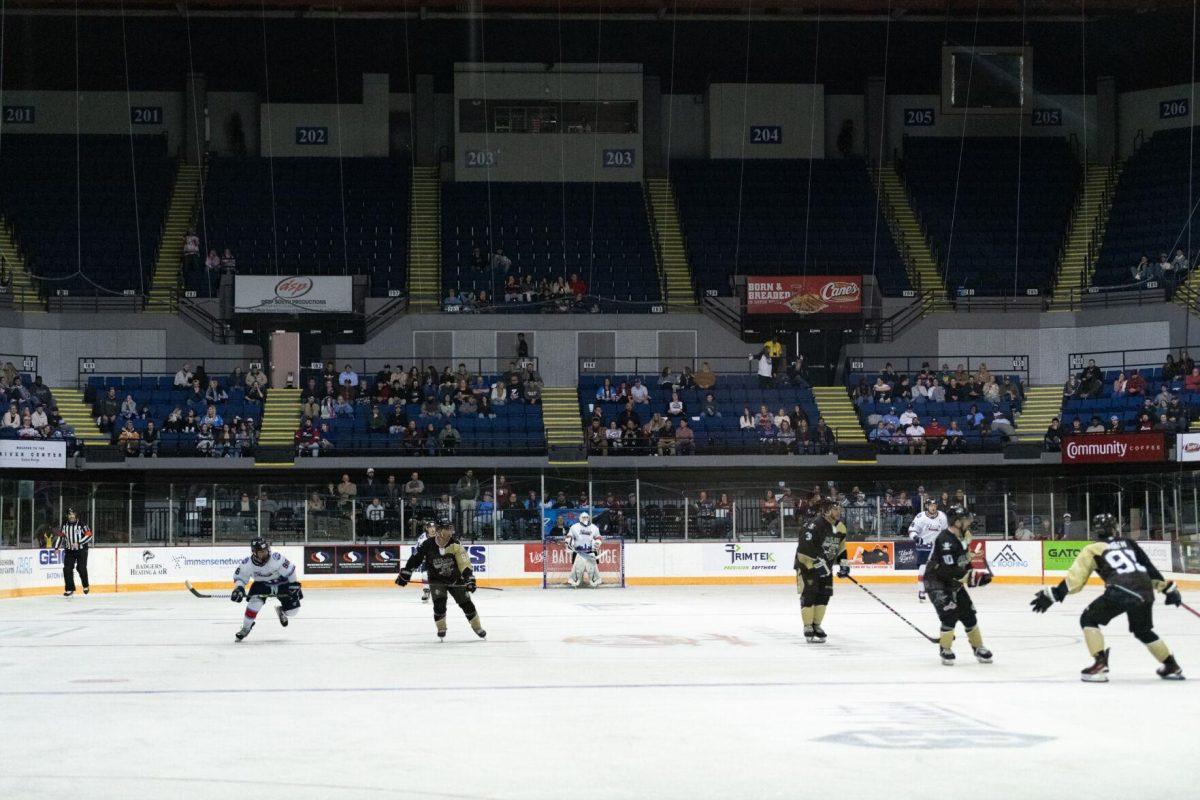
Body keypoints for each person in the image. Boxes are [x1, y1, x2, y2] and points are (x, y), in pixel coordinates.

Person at [1030, 513, 1184, 681]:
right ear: (1114, 527)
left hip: (1121, 590)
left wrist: (1055, 594)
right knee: (1143, 630)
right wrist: (1168, 589)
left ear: (1095, 531)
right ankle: (1171, 665)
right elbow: (1149, 569)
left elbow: (1076, 580)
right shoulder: (1129, 543)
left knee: (1088, 618)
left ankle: (1100, 664)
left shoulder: (1092, 548)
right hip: (1145, 590)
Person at [923, 509, 993, 666]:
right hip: (937, 583)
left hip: (953, 581)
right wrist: (973, 578)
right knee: (950, 614)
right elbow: (949, 569)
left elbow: (963, 562)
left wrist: (974, 575)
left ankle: (978, 647)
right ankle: (945, 649)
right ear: (956, 522)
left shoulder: (964, 536)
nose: (969, 522)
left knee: (969, 614)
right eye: (966, 520)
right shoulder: (945, 540)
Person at [396, 523, 486, 640]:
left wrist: (469, 579)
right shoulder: (427, 544)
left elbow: (464, 563)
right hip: (436, 580)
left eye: (449, 534)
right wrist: (406, 573)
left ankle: (477, 627)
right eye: (445, 535)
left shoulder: (456, 544)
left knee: (466, 604)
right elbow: (415, 559)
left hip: (455, 579)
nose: (448, 538)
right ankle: (441, 627)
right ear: (438, 534)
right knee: (439, 605)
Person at [793, 501, 848, 644]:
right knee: (809, 594)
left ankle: (816, 625)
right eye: (835, 509)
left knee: (824, 596)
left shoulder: (840, 527)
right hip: (808, 567)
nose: (838, 511)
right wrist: (816, 563)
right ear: (826, 511)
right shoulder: (813, 525)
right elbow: (804, 548)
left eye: (839, 509)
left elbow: (841, 548)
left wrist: (844, 565)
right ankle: (807, 626)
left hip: (826, 568)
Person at [231, 539, 302, 641]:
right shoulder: (247, 564)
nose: (265, 553)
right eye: (261, 552)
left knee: (293, 611)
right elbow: (240, 578)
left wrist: (294, 584)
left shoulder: (276, 558)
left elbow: (290, 571)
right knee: (253, 606)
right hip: (261, 585)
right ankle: (246, 628)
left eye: (266, 550)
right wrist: (239, 588)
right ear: (254, 553)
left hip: (282, 583)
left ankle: (281, 610)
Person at [908, 499, 947, 602]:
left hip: (936, 549)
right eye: (930, 505)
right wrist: (916, 538)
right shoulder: (921, 517)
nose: (933, 507)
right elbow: (911, 530)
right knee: (922, 571)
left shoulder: (942, 516)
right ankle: (921, 591)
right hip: (924, 548)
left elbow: (945, 531)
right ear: (927, 506)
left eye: (934, 505)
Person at [55, 508, 93, 597]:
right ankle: (69, 589)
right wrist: (56, 548)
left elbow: (89, 535)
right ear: (67, 516)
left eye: (73, 514)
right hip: (69, 550)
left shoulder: (82, 524)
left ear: (76, 515)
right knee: (67, 569)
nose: (71, 516)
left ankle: (85, 586)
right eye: (69, 514)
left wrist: (79, 542)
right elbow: (61, 537)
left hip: (82, 550)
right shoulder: (64, 525)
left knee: (81, 568)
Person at [565, 512, 604, 588]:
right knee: (577, 567)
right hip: (578, 551)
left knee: (592, 567)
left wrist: (597, 542)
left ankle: (594, 580)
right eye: (583, 517)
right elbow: (569, 536)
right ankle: (576, 581)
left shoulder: (594, 527)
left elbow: (598, 537)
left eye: (586, 517)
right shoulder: (574, 527)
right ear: (580, 518)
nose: (585, 519)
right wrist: (568, 541)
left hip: (590, 551)